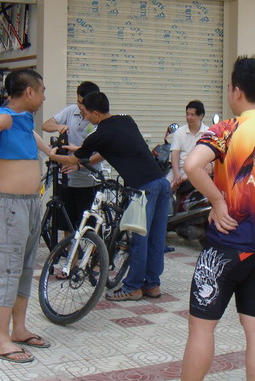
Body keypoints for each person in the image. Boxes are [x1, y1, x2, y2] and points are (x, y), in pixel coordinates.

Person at [142, 56, 255, 381]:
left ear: (237, 91)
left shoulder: (228, 129)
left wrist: (217, 201)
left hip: (226, 247)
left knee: (202, 329)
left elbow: (193, 165)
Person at [0, 69, 53, 364]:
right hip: (9, 206)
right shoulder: (0, 116)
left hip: (30, 204)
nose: (43, 97)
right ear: (29, 92)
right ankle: (1, 341)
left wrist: (54, 153)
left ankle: (19, 329)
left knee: (25, 268)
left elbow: (32, 137)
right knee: (6, 270)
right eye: (42, 91)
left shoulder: (24, 118)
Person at [48, 92, 171, 301]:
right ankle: (152, 284)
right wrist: (80, 155)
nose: (84, 118)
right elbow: (108, 150)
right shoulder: (126, 120)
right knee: (156, 238)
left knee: (139, 239)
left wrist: (52, 154)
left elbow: (71, 160)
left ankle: (133, 287)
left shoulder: (99, 135)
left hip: (143, 189)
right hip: (161, 183)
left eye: (85, 113)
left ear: (95, 113)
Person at [42, 81, 101, 229]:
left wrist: (79, 164)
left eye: (83, 103)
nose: (80, 106)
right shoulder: (71, 111)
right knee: (66, 226)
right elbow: (46, 125)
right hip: (66, 181)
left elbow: (102, 153)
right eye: (78, 101)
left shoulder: (98, 119)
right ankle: (68, 246)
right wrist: (58, 126)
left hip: (89, 182)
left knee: (87, 228)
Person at [168, 100, 208, 190]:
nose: (189, 117)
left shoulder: (208, 133)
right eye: (187, 114)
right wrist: (177, 174)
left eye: (192, 115)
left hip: (199, 170)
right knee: (165, 188)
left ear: (201, 116)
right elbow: (175, 154)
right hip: (181, 169)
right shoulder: (179, 132)